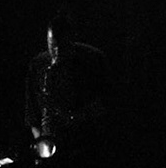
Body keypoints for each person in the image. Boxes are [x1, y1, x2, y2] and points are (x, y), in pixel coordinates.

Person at [24, 11, 113, 160]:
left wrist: (73, 118)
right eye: (53, 46)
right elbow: (32, 115)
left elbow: (107, 104)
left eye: (62, 46)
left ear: (72, 41)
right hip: (50, 147)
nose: (57, 52)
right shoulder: (38, 64)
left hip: (85, 145)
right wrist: (43, 146)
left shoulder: (94, 60)